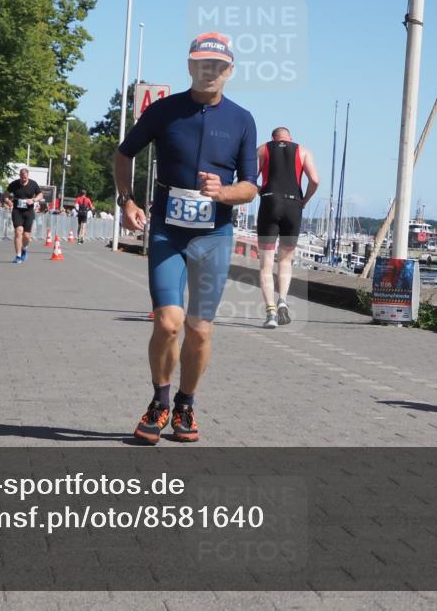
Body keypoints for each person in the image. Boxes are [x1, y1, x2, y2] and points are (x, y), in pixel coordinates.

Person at [114, 32, 257, 444]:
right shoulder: (164, 111)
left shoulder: (242, 119)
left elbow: (250, 185)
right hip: (168, 233)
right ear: (190, 67)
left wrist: (224, 192)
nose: (208, 71)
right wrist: (127, 201)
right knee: (168, 321)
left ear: (229, 71)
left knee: (199, 330)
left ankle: (186, 404)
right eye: (201, 64)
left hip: (214, 235)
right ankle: (159, 402)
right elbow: (124, 153)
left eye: (217, 65)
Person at [255, 127, 319, 328]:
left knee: (266, 263)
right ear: (290, 138)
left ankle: (271, 313)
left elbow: (248, 177)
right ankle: (282, 300)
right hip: (293, 205)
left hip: (269, 203)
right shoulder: (303, 151)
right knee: (285, 260)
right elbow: (315, 180)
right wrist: (305, 200)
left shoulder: (263, 149)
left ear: (272, 138)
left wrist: (262, 192)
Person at [6, 168, 43, 263]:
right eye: (22, 178)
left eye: (25, 178)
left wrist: (34, 200)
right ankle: (18, 256)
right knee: (18, 231)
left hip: (29, 211)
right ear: (20, 176)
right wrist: (8, 201)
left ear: (28, 176)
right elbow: (5, 195)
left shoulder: (33, 184)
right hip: (17, 211)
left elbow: (40, 195)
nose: (24, 179)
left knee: (26, 235)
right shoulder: (14, 184)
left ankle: (24, 249)